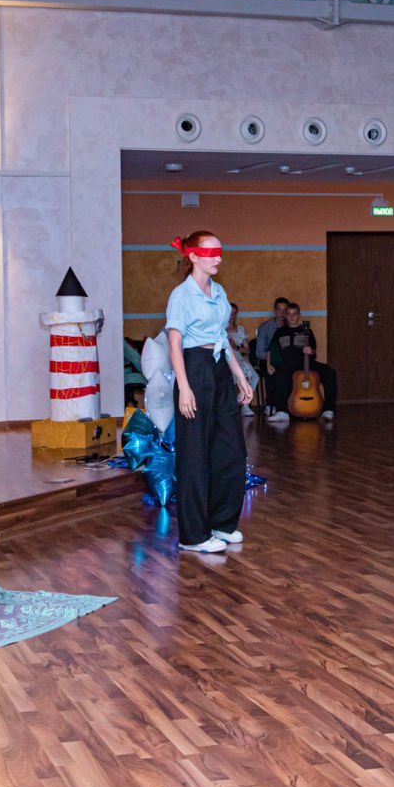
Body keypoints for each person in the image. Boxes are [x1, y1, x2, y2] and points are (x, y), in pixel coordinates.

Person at [165, 230, 253, 554]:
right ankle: (193, 536)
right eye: (211, 252)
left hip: (218, 367)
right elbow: (175, 343)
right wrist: (184, 388)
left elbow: (222, 337)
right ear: (193, 257)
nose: (218, 258)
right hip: (194, 368)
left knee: (232, 451)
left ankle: (222, 523)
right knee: (194, 455)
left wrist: (239, 375)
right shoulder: (181, 295)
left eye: (220, 251)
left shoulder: (219, 292)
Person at [264, 302, 338, 423]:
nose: (292, 316)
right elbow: (270, 350)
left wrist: (310, 350)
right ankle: (282, 412)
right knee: (280, 374)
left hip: (307, 363)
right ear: (285, 316)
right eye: (289, 314)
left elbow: (314, 350)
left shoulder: (306, 330)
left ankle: (328, 409)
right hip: (287, 364)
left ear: (299, 315)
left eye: (294, 314)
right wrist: (268, 364)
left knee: (330, 372)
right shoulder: (280, 331)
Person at [226, 303, 260, 412]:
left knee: (246, 371)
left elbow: (247, 350)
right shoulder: (220, 329)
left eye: (235, 313)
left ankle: (244, 403)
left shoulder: (240, 329)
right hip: (225, 358)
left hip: (238, 357)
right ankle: (235, 402)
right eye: (230, 313)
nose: (232, 316)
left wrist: (236, 347)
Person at [255, 297, 289, 362]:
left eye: (285, 310)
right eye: (279, 309)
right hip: (267, 361)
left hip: (286, 362)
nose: (282, 313)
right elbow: (259, 353)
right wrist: (276, 357)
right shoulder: (264, 328)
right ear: (275, 311)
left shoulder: (290, 327)